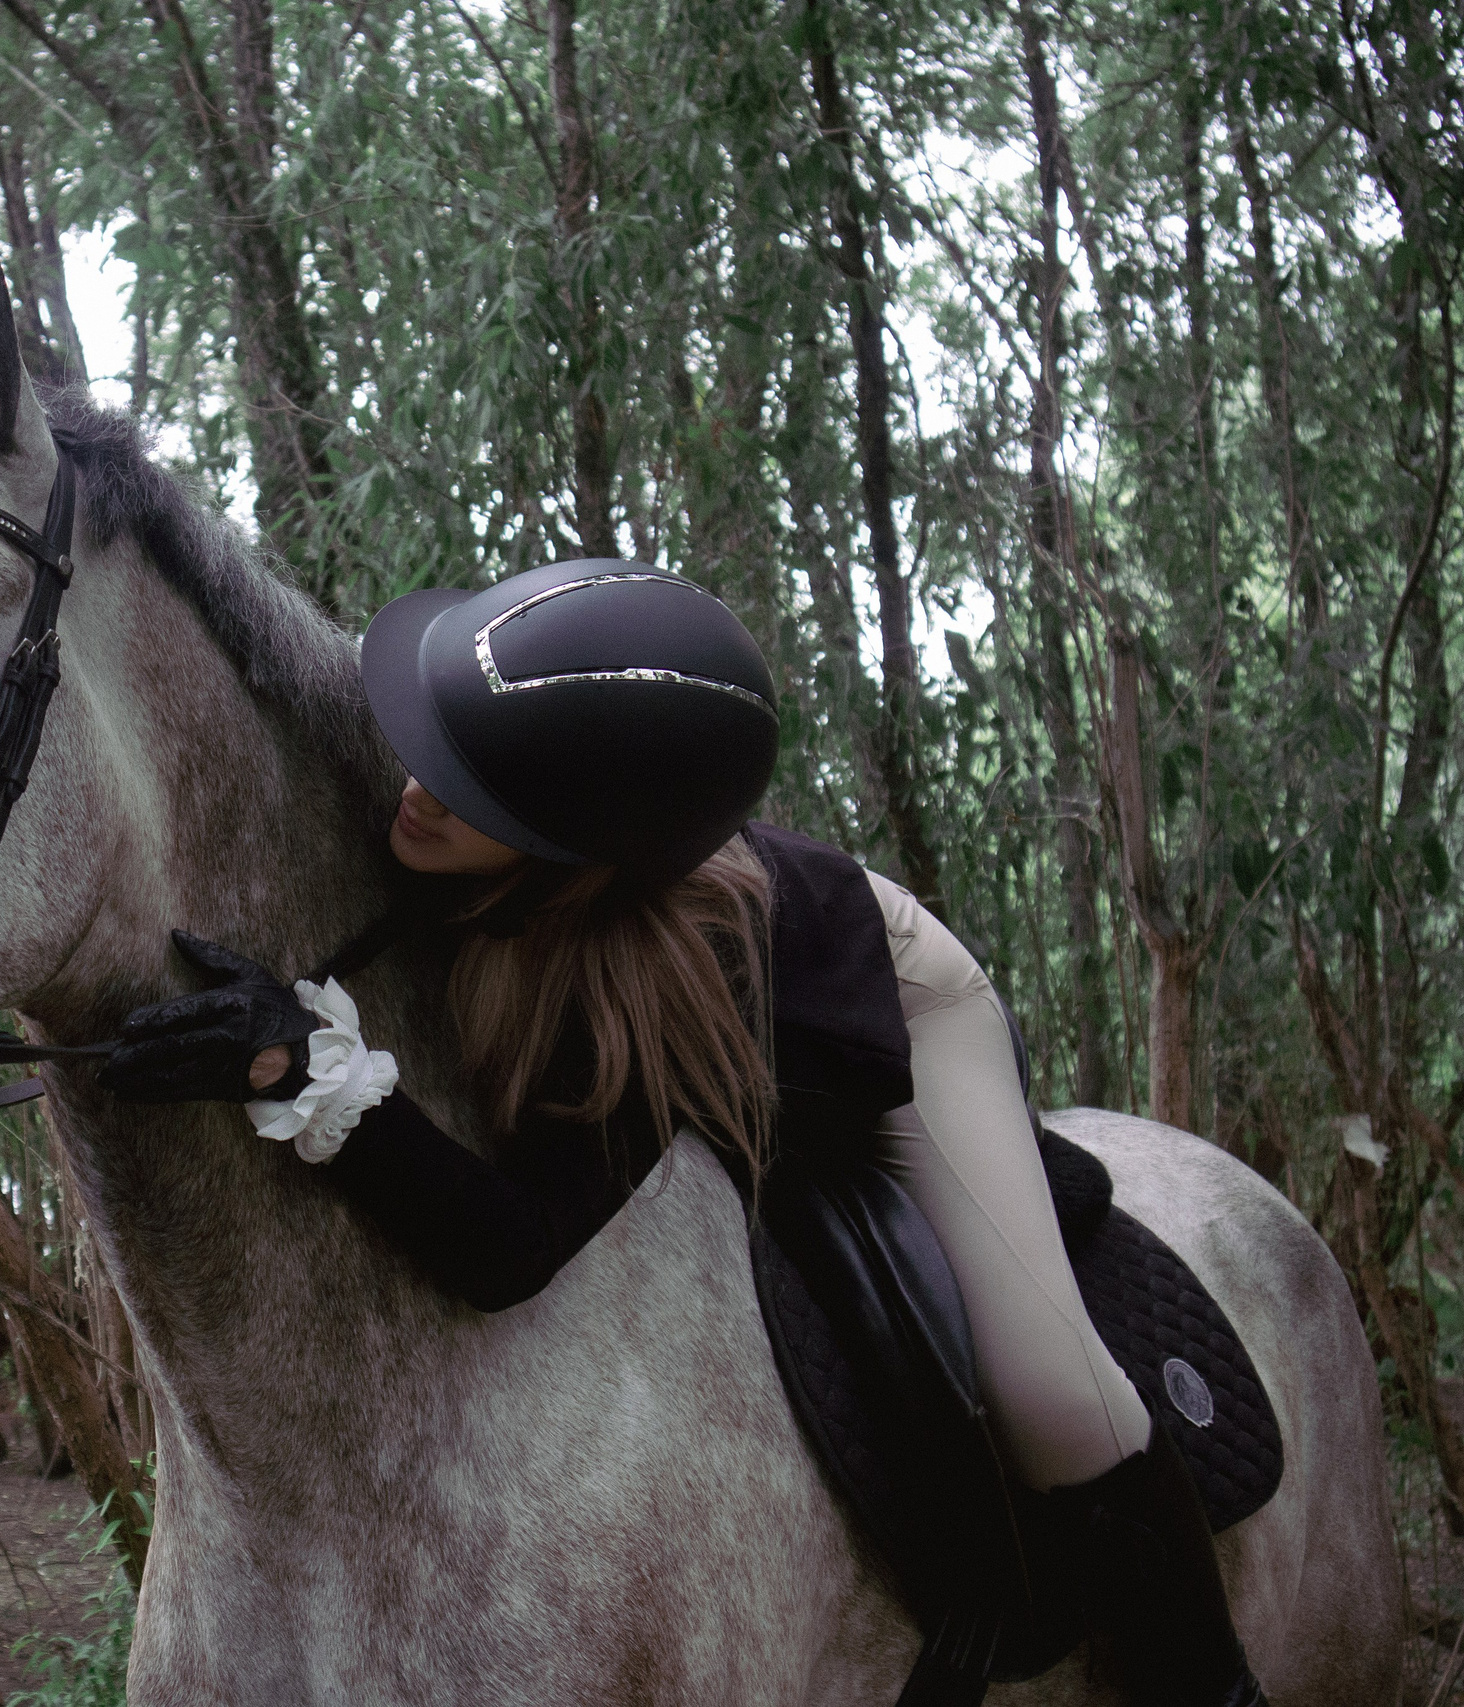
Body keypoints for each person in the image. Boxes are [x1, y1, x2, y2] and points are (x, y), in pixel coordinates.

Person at [98, 559, 1264, 1707]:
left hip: (903, 1008)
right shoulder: (441, 814)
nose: (418, 789)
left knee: (1053, 1392)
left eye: (472, 788)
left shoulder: (654, 979)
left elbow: (511, 1248)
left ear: (569, 848)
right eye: (434, 745)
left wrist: (308, 1070)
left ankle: (1214, 1687)